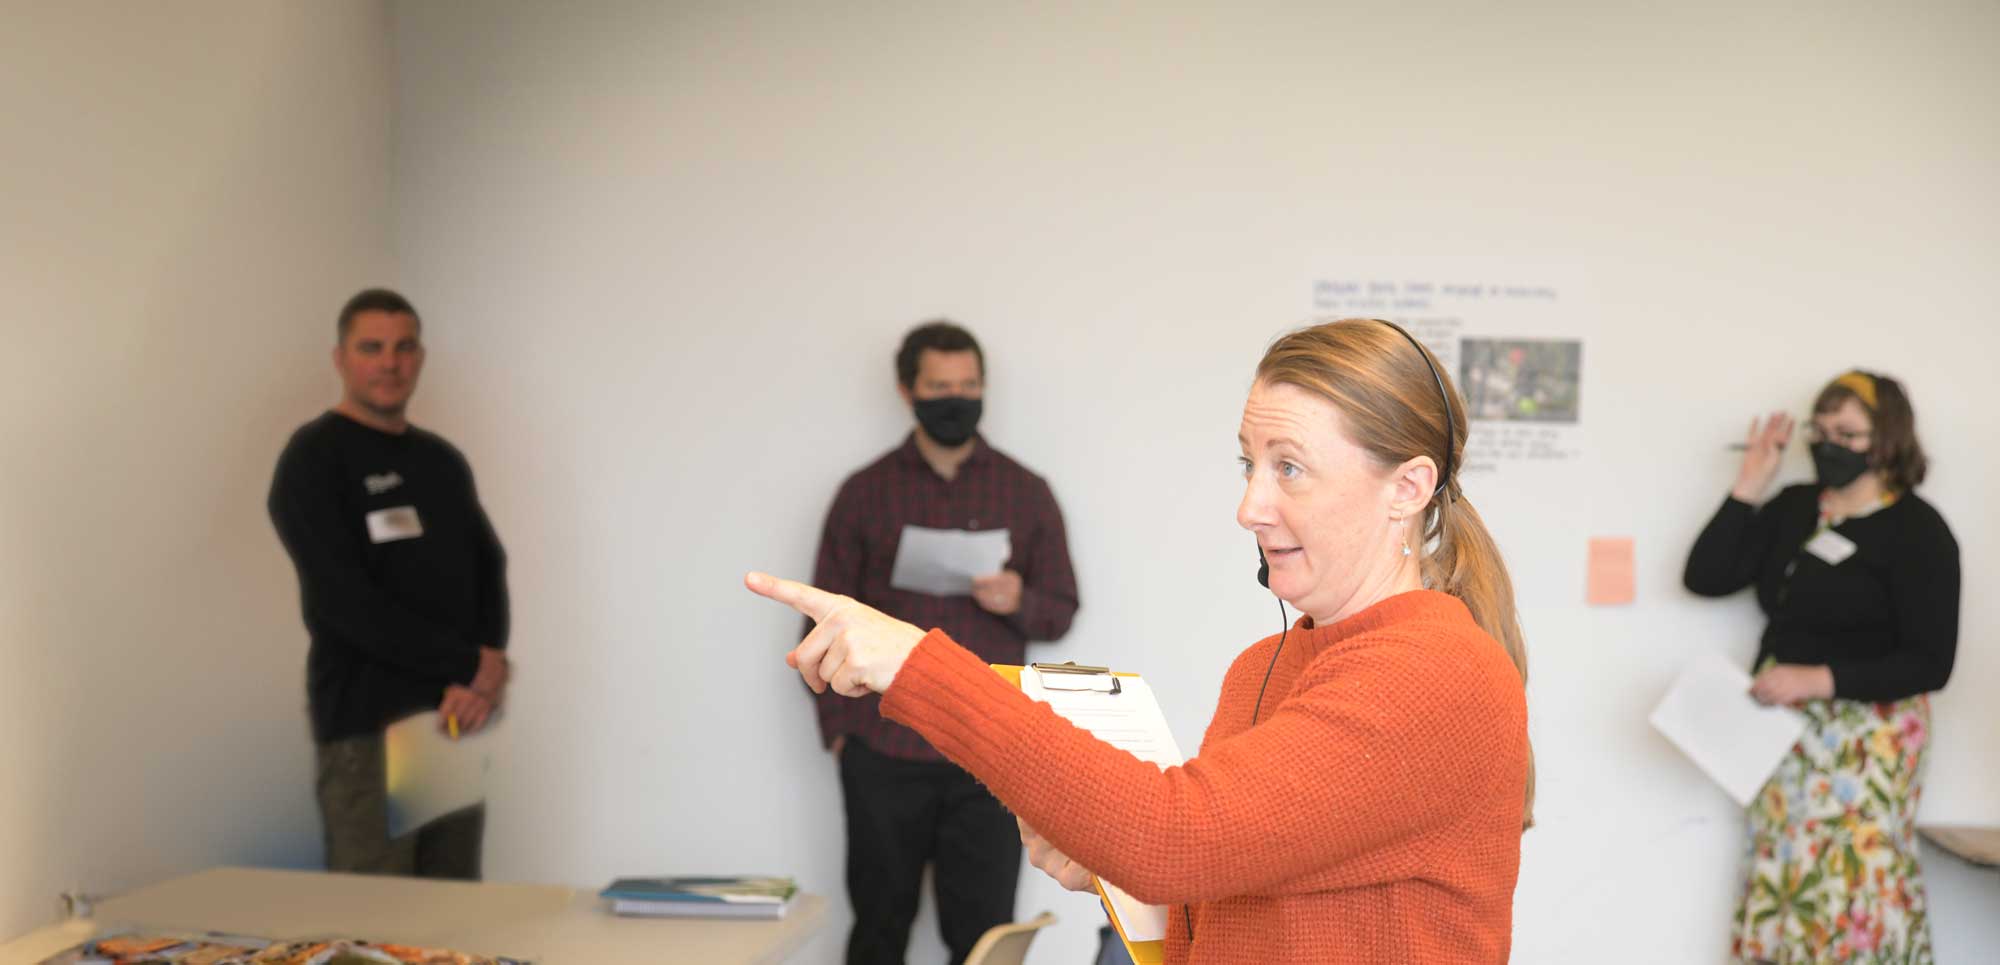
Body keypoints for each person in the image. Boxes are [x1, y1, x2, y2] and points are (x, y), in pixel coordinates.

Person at [753, 318, 1532, 964]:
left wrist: (918, 665)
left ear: (1407, 487)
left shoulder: (1435, 669)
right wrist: (1116, 871)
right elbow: (1224, 886)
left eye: (1290, 468)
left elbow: (1177, 837)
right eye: (1250, 463)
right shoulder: (1262, 667)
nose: (1250, 506)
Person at [806, 320, 1080, 965]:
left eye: (968, 386)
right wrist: (842, 734)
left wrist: (1018, 600)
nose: (956, 398)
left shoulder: (1025, 491)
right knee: (878, 930)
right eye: (940, 387)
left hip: (990, 751)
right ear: (908, 392)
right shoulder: (865, 493)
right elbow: (819, 621)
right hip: (883, 748)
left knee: (984, 937)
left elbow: (1061, 610)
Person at [1685, 370, 1958, 964]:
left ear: (1889, 440)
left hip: (1869, 742)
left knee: (1854, 882)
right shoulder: (1795, 509)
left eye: (1849, 434)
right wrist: (1749, 483)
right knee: (1788, 877)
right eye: (1822, 431)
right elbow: (1705, 576)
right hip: (1781, 734)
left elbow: (1932, 662)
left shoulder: (1919, 531)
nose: (1831, 445)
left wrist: (1817, 679)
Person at [268, 288, 512, 879]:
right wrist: (469, 664)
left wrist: (483, 673)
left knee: (454, 914)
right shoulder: (314, 458)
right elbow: (342, 603)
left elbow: (489, 567)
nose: (389, 363)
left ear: (420, 357)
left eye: (403, 347)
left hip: (451, 727)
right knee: (376, 918)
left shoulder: (440, 461)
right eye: (371, 348)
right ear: (341, 358)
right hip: (369, 734)